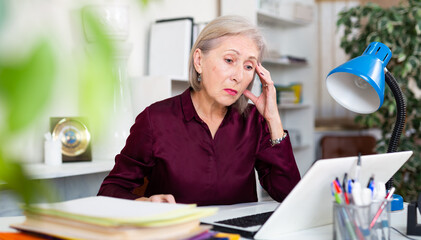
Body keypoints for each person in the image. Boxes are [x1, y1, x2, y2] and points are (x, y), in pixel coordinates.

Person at [98, 15, 301, 205]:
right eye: (229, 60)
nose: (238, 76)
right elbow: (110, 190)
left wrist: (273, 119)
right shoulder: (155, 119)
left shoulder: (254, 120)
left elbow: (288, 194)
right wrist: (146, 204)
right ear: (199, 61)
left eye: (249, 66)